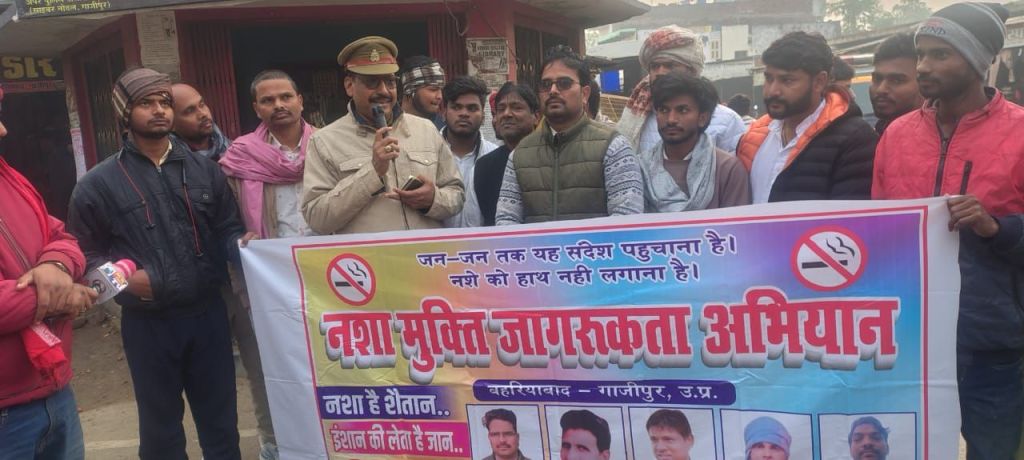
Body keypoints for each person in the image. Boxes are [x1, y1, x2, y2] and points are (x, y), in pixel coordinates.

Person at [67, 68, 255, 460]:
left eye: (165, 103)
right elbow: (82, 255)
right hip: (149, 325)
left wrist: (241, 244)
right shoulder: (98, 184)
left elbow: (227, 228)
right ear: (125, 113)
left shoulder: (204, 170)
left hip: (208, 315)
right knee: (161, 433)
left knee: (221, 426)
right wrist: (122, 280)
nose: (159, 111)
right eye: (146, 103)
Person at [872, 4, 1024, 459]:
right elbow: (876, 225)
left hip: (990, 338)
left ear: (978, 61)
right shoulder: (896, 135)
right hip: (907, 335)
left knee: (991, 450)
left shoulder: (1020, 133)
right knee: (905, 447)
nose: (923, 66)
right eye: (921, 54)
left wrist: (995, 227)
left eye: (941, 54)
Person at [218, 69, 317, 460]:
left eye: (286, 97)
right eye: (268, 100)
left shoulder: (328, 147)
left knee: (329, 359)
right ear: (256, 108)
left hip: (327, 279)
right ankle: (275, 443)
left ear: (300, 100)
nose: (278, 105)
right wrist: (240, 241)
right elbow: (225, 222)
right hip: (268, 285)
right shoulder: (239, 157)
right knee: (268, 367)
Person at [0, 82, 96, 460]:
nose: (3, 130)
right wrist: (60, 296)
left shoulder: (10, 178)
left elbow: (59, 234)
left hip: (53, 391)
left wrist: (55, 264)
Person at [302, 36, 464, 234]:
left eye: (390, 82)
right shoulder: (324, 141)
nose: (384, 91)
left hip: (424, 253)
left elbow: (457, 195)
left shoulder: (426, 129)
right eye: (372, 82)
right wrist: (373, 171)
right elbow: (317, 219)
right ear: (349, 86)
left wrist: (433, 200)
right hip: (369, 255)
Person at [496, 45, 643, 225]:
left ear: (585, 94)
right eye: (546, 85)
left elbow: (628, 218)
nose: (553, 91)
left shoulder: (614, 147)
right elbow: (506, 221)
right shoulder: (520, 155)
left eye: (564, 83)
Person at [736, 31, 877, 204]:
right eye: (769, 79)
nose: (773, 91)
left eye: (787, 81)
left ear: (819, 82)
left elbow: (849, 216)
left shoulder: (855, 140)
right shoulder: (753, 137)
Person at [618, 25, 747, 154]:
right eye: (655, 66)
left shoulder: (727, 121)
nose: (660, 72)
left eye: (669, 65)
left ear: (691, 71)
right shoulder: (639, 118)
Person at [640, 72, 750, 212]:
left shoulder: (727, 169)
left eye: (682, 110)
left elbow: (736, 224)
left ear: (702, 118)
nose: (671, 119)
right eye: (664, 110)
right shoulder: (639, 168)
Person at [475, 83, 541, 226]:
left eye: (516, 108)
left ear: (536, 116)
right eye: (501, 109)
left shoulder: (548, 157)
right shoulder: (484, 166)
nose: (507, 114)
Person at [441, 76, 497, 228]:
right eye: (456, 107)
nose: (464, 113)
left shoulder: (495, 157)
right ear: (444, 111)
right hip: (438, 242)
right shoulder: (427, 155)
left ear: (483, 115)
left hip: (484, 242)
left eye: (472, 108)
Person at [869, 33, 923, 135]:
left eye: (897, 81)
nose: (881, 89)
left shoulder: (942, 140)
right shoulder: (878, 134)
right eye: (877, 79)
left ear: (924, 83)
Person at [170, 83, 231, 161]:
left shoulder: (236, 151)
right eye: (190, 111)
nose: (203, 114)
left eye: (202, 105)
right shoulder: (171, 163)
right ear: (172, 125)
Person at [400, 55, 446, 129]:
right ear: (410, 89)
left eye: (441, 89)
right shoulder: (388, 126)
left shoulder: (442, 130)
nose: (440, 96)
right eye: (433, 89)